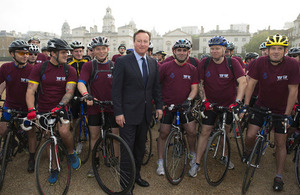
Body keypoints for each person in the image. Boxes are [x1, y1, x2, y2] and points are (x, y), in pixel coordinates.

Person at [243, 34, 299, 191]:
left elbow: (293, 90)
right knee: (250, 135)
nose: (275, 51)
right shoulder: (259, 62)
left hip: (281, 109)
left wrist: (287, 114)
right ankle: (249, 151)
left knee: (280, 143)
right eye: (273, 48)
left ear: (285, 50)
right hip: (262, 104)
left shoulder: (292, 65)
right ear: (267, 50)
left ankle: (279, 176)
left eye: (279, 49)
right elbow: (251, 84)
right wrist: (246, 105)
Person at [112, 29, 163, 194]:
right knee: (127, 150)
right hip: (126, 115)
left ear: (149, 43)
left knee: (140, 148)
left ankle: (137, 176)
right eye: (139, 41)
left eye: (145, 41)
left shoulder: (153, 62)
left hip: (145, 114)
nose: (142, 44)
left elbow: (156, 88)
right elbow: (116, 89)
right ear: (134, 42)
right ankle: (126, 185)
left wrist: (160, 107)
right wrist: (118, 112)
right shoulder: (123, 62)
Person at [188, 36, 247, 177]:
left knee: (225, 131)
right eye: (212, 48)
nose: (214, 51)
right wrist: (204, 100)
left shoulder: (232, 62)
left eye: (217, 48)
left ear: (224, 49)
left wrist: (238, 102)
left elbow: (243, 81)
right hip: (211, 105)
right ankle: (196, 163)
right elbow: (201, 83)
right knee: (205, 131)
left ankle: (224, 155)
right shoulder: (205, 62)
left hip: (228, 105)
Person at [26, 38, 81, 184]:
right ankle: (54, 167)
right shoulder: (39, 68)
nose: (66, 55)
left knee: (63, 132)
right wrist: (31, 109)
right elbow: (31, 90)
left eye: (67, 52)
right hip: (44, 109)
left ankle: (70, 153)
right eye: (63, 52)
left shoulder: (70, 69)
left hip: (62, 107)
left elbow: (69, 91)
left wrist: (61, 104)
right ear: (52, 53)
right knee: (48, 137)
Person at [77, 36, 119, 177]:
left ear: (108, 49)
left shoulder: (114, 65)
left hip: (112, 106)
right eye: (97, 49)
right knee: (94, 135)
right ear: (93, 51)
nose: (101, 51)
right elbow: (81, 82)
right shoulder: (89, 66)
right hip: (94, 105)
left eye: (103, 48)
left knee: (115, 134)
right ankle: (95, 162)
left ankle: (116, 160)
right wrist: (86, 94)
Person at [156, 39, 199, 176]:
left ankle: (192, 154)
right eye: (179, 50)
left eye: (184, 50)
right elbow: (157, 85)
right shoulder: (165, 67)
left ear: (188, 52)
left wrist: (189, 100)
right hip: (168, 105)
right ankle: (161, 161)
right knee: (163, 133)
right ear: (174, 51)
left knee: (191, 131)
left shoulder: (192, 69)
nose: (181, 53)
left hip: (184, 106)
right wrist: (159, 102)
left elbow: (194, 88)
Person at [0, 40, 37, 173]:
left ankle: (32, 158)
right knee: (2, 130)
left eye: (27, 52)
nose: (25, 55)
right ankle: (11, 143)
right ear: (12, 54)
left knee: (30, 133)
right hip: (9, 105)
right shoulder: (5, 68)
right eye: (21, 53)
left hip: (26, 108)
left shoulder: (33, 70)